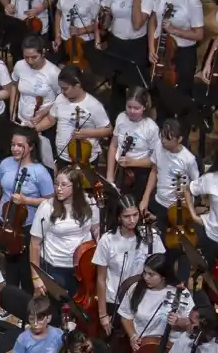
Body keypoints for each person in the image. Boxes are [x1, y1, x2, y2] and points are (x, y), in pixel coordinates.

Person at [0, 128, 54, 288]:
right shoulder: (6, 163)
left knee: (25, 269)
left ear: (30, 147)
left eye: (20, 145)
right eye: (13, 145)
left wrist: (27, 200)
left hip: (27, 226)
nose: (15, 149)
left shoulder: (40, 172)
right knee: (8, 267)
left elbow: (51, 201)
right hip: (6, 222)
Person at [95, 194, 165, 332]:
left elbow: (161, 268)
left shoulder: (151, 236)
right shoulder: (107, 240)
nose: (132, 220)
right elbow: (101, 279)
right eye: (127, 216)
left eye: (135, 215)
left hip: (142, 300)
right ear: (118, 217)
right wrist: (103, 314)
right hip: (114, 301)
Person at [30, 167, 101, 296]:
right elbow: (34, 243)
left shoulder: (89, 202)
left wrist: (100, 246)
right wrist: (36, 277)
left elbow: (96, 228)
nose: (58, 189)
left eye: (64, 185)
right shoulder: (47, 207)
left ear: (76, 186)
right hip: (55, 266)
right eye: (56, 184)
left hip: (83, 266)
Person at [150, 0, 206, 103]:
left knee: (180, 96)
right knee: (159, 89)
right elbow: (153, 19)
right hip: (161, 48)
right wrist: (151, 48)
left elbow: (199, 34)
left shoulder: (192, 1)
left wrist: (174, 31)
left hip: (182, 54)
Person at [33, 65, 112, 166]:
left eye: (65, 88)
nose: (62, 92)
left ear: (78, 85)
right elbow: (50, 120)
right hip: (62, 156)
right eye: (61, 88)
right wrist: (33, 130)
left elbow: (108, 130)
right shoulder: (60, 99)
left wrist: (87, 133)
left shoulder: (94, 105)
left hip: (85, 158)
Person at [99, 0, 153, 103]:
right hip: (116, 41)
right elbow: (106, 14)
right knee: (117, 83)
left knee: (135, 84)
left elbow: (137, 24)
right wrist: (104, 21)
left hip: (136, 45)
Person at [142, 119, 198, 226]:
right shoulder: (159, 146)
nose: (163, 140)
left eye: (168, 138)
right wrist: (145, 198)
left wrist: (186, 192)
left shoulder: (188, 159)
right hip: (159, 200)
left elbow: (196, 182)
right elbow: (154, 170)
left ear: (179, 139)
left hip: (176, 206)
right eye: (162, 136)